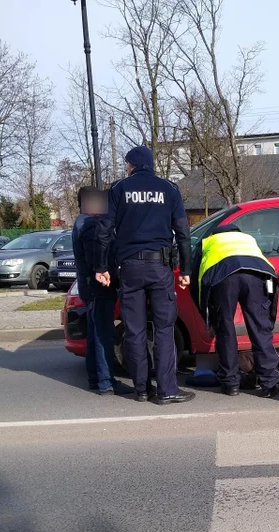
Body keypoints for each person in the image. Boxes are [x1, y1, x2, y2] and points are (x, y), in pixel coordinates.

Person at [95, 145, 194, 405]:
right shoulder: (169, 189)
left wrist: (101, 267)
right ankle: (166, 390)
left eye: (126, 164)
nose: (125, 168)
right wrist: (186, 270)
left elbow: (104, 230)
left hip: (129, 268)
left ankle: (141, 389)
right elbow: (183, 232)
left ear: (131, 164)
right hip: (159, 267)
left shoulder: (117, 189)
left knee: (135, 330)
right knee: (163, 329)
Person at [193, 223, 279, 398]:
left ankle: (231, 384)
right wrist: (269, 317)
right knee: (259, 329)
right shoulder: (248, 239)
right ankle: (269, 384)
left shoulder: (207, 242)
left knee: (225, 330)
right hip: (257, 275)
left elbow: (197, 284)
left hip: (223, 277)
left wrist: (207, 316)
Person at [72, 186, 123, 395]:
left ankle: (96, 377)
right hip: (99, 285)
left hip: (88, 286)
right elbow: (97, 259)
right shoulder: (92, 225)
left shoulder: (80, 222)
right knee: (103, 333)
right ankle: (106, 381)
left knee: (95, 332)